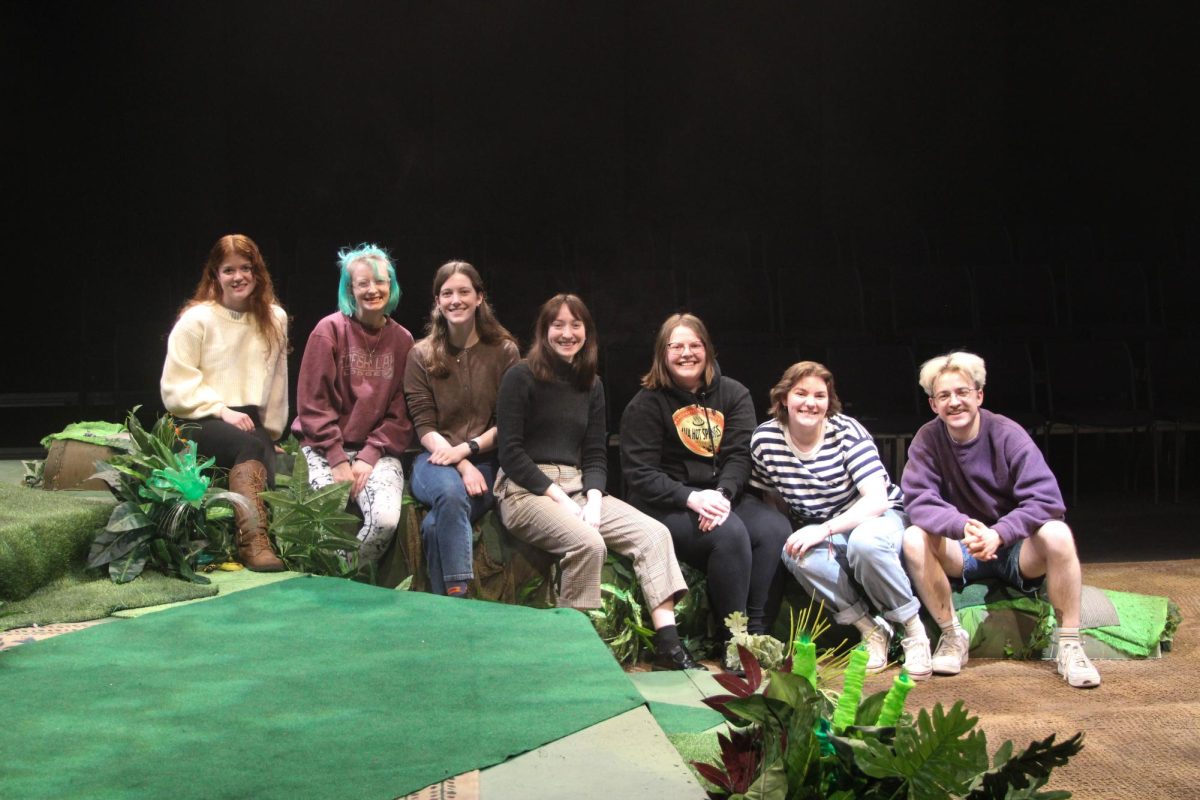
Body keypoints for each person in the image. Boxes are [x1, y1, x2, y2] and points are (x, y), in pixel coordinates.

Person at [495, 294, 696, 669]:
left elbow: (595, 454)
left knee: (654, 534)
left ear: (587, 332)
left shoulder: (592, 384)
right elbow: (511, 453)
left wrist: (595, 500)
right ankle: (571, 650)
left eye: (576, 325)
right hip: (524, 489)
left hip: (579, 486)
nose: (567, 333)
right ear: (544, 330)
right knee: (588, 542)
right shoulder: (520, 376)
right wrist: (563, 500)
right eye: (558, 325)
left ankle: (668, 645)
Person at [901, 351, 1100, 688]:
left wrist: (1000, 532)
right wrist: (962, 526)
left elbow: (1047, 500)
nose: (954, 402)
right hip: (961, 546)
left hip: (1014, 548)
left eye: (962, 392)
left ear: (979, 395)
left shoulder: (1008, 434)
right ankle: (952, 636)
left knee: (1058, 533)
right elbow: (918, 501)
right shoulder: (927, 439)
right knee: (913, 537)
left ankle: (1070, 644)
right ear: (934, 404)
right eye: (944, 395)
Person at [619, 313, 792, 649]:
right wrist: (691, 498)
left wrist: (724, 494)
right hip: (665, 501)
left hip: (720, 494)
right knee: (728, 533)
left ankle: (756, 634)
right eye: (677, 346)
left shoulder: (734, 394)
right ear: (662, 354)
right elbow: (641, 474)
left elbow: (739, 455)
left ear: (708, 350)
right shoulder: (645, 404)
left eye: (695, 345)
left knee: (775, 529)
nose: (687, 353)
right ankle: (732, 640)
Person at [750, 361, 926, 676]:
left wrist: (824, 529)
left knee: (865, 543)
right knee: (797, 555)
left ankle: (914, 633)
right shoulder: (765, 440)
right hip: (826, 529)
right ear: (784, 398)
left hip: (878, 517)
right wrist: (794, 533)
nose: (810, 402)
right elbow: (771, 495)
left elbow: (876, 500)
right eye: (801, 393)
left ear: (828, 402)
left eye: (819, 395)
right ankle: (871, 630)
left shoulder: (846, 431)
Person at [161, 233, 288, 571]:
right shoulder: (196, 319)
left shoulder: (274, 318)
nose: (238, 277)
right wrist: (220, 410)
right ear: (215, 274)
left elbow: (277, 381)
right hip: (195, 416)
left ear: (257, 272)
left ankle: (267, 541)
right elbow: (176, 385)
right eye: (228, 270)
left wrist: (272, 434)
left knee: (262, 452)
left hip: (246, 419)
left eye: (245, 268)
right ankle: (253, 545)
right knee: (249, 446)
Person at [403, 261, 519, 596]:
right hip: (433, 459)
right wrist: (461, 461)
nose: (456, 299)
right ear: (437, 301)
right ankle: (460, 597)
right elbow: (423, 425)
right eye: (447, 293)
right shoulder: (420, 354)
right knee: (451, 494)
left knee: (435, 524)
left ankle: (443, 605)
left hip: (487, 460)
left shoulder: (504, 351)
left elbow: (506, 424)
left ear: (480, 297)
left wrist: (469, 453)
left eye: (464, 292)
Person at [293, 244, 414, 565]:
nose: (373, 290)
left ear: (392, 286)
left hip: (377, 451)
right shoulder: (328, 331)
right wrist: (336, 459)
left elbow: (401, 413)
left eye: (381, 282)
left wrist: (369, 455)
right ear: (350, 289)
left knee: (385, 521)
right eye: (363, 283)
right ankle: (328, 586)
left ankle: (347, 578)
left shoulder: (403, 341)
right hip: (323, 447)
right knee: (324, 516)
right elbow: (312, 403)